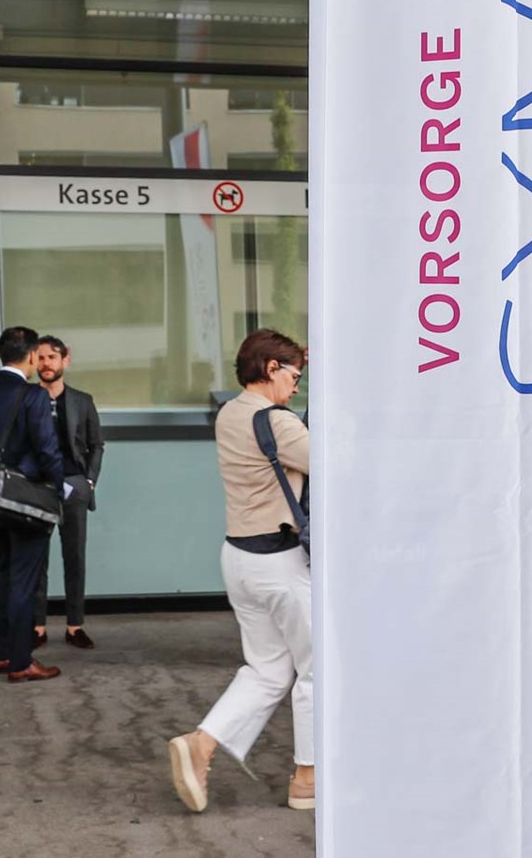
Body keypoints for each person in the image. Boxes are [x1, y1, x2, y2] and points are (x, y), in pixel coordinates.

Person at [168, 329, 314, 814]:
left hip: (239, 557)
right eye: (294, 376)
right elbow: (339, 463)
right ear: (271, 368)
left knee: (267, 670)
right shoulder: (278, 422)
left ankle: (201, 745)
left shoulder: (230, 413)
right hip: (280, 561)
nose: (296, 386)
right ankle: (307, 778)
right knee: (317, 669)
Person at [0, 325, 66, 683]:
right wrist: (58, 487)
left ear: (0, 354)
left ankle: (3, 653)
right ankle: (22, 661)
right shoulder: (33, 396)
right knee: (25, 580)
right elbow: (47, 450)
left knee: (1, 573)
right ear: (32, 356)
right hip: (24, 501)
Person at [31, 336, 104, 650]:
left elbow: (96, 444)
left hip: (74, 485)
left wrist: (89, 482)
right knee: (36, 558)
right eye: (40, 357)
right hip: (37, 487)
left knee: (75, 557)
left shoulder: (82, 401)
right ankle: (37, 627)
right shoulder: (26, 399)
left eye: (52, 357)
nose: (46, 363)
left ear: (65, 359)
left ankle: (75, 626)